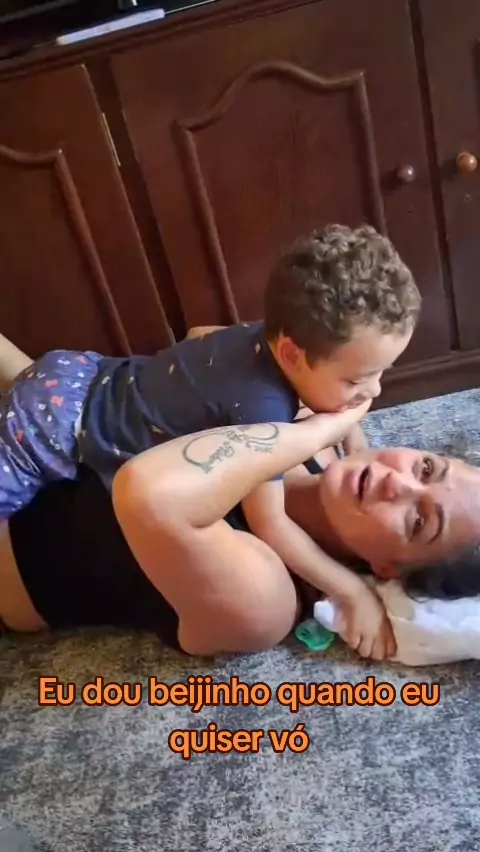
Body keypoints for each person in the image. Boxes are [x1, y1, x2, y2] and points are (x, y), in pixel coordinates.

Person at [0, 225, 420, 649]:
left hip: (78, 375)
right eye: (356, 380)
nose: (373, 392)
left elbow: (200, 332)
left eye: (419, 520)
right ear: (292, 354)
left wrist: (351, 437)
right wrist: (350, 590)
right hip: (55, 426)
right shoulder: (263, 411)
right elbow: (270, 522)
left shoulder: (269, 335)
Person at [1, 334, 480, 660]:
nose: (398, 484)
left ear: (389, 569)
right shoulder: (318, 447)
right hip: (41, 424)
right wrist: (338, 434)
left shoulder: (266, 603)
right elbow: (212, 347)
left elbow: (146, 491)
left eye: (419, 521)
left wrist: (318, 430)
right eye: (425, 468)